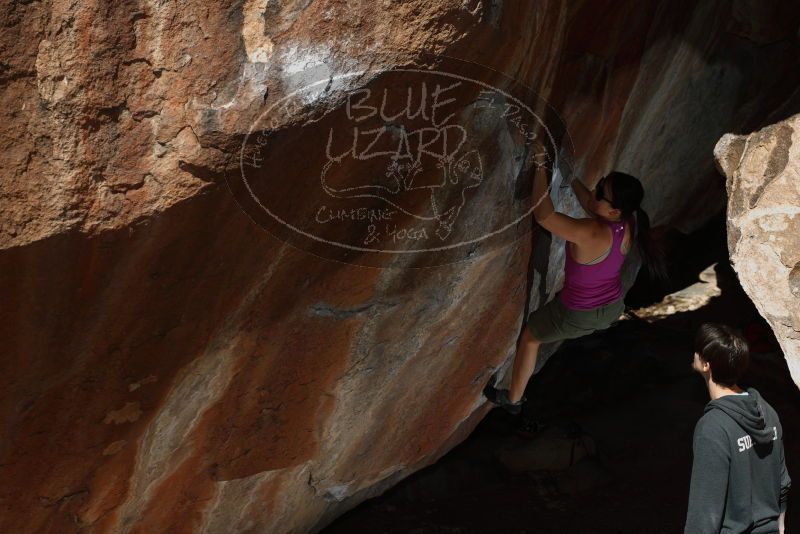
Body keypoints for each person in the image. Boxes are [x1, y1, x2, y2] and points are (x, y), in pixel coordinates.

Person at [484, 163, 667, 414]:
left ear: (614, 210)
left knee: (530, 338)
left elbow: (544, 216)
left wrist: (539, 166)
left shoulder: (591, 232)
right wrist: (571, 178)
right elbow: (591, 203)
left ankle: (514, 401)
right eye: (601, 183)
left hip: (578, 313)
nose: (596, 190)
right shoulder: (628, 221)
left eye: (601, 192)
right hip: (612, 307)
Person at [685, 323, 791, 534]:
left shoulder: (713, 427)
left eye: (697, 350)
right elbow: (783, 483)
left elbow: (705, 514)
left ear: (706, 365)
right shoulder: (766, 411)